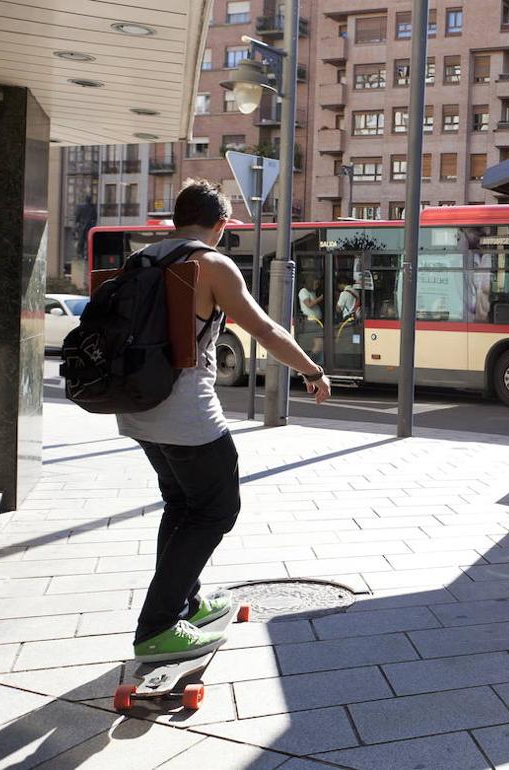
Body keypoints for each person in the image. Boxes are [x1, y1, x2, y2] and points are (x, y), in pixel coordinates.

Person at [119, 180, 332, 663]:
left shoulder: (143, 259)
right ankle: (157, 627)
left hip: (135, 406)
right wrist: (312, 371)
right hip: (184, 409)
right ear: (220, 225)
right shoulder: (210, 263)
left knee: (182, 505)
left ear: (177, 218)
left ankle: (186, 604)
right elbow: (264, 329)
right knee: (217, 509)